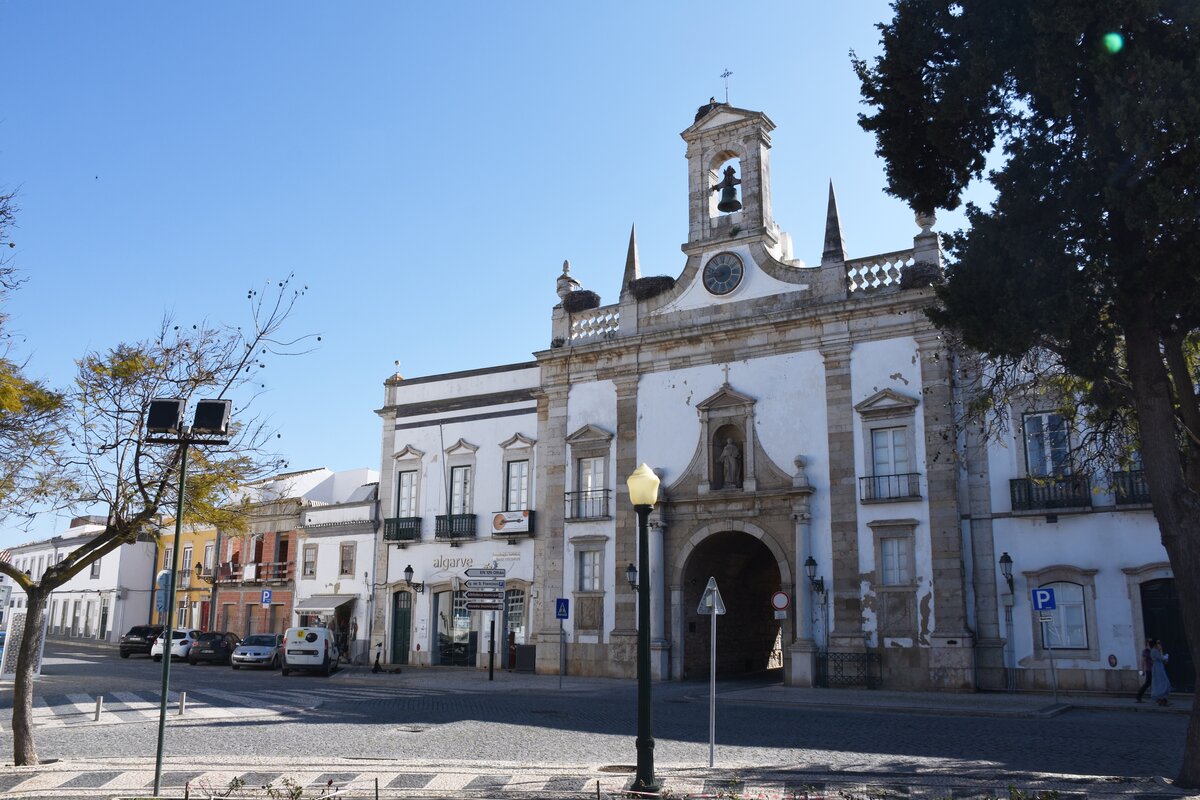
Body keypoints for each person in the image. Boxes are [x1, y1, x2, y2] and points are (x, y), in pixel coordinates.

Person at [1150, 639, 1173, 706]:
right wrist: (1165, 657)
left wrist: (1161, 651)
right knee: (1161, 682)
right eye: (1158, 643)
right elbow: (1159, 658)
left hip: (1160, 666)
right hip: (1157, 668)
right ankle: (1161, 699)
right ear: (1155, 644)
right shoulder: (1154, 650)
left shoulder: (1157, 650)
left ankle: (1164, 699)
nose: (1159, 644)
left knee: (1163, 682)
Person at [1135, 638, 1154, 703]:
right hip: (1149, 669)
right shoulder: (1146, 651)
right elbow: (1143, 661)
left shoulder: (1153, 650)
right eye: (1149, 643)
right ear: (1147, 644)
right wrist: (1142, 670)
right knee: (1147, 684)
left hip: (1155, 669)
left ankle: (1159, 698)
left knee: (1152, 684)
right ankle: (1138, 696)